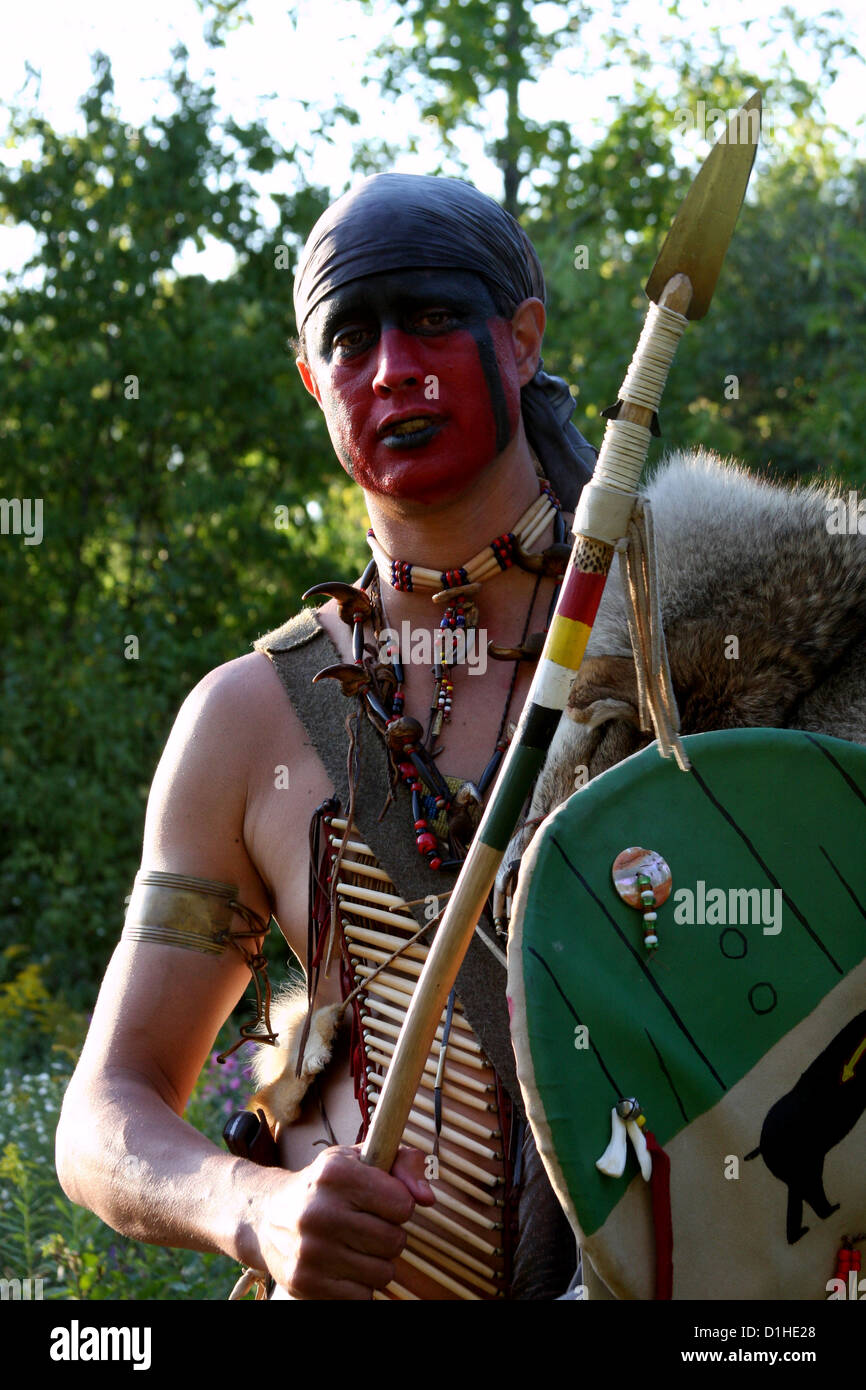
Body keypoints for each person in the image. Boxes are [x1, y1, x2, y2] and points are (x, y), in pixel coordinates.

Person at [55, 173, 596, 1300]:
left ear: (523, 339)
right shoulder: (249, 718)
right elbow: (105, 1110)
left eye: (434, 317)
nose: (391, 363)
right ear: (313, 383)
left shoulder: (679, 638)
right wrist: (253, 1206)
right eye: (349, 338)